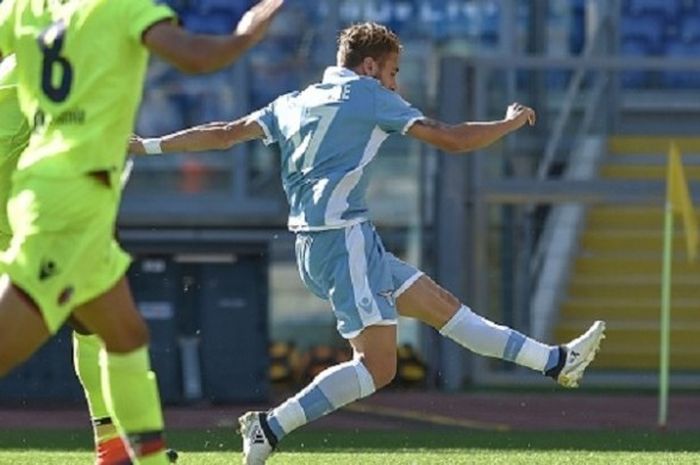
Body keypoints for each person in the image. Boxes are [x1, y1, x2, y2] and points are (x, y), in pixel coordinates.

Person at [129, 22, 606, 465]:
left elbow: (225, 133)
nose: (395, 84)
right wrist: (506, 122)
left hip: (327, 243)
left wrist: (148, 146)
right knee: (378, 368)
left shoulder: (295, 100)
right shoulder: (369, 96)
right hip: (343, 240)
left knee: (441, 306)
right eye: (393, 72)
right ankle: (270, 426)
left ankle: (556, 361)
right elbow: (452, 139)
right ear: (370, 65)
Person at [0, 1, 284, 464]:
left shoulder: (24, 6)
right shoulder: (121, 7)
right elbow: (196, 57)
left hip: (56, 192)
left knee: (125, 335)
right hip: (66, 203)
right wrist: (248, 35)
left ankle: (128, 455)